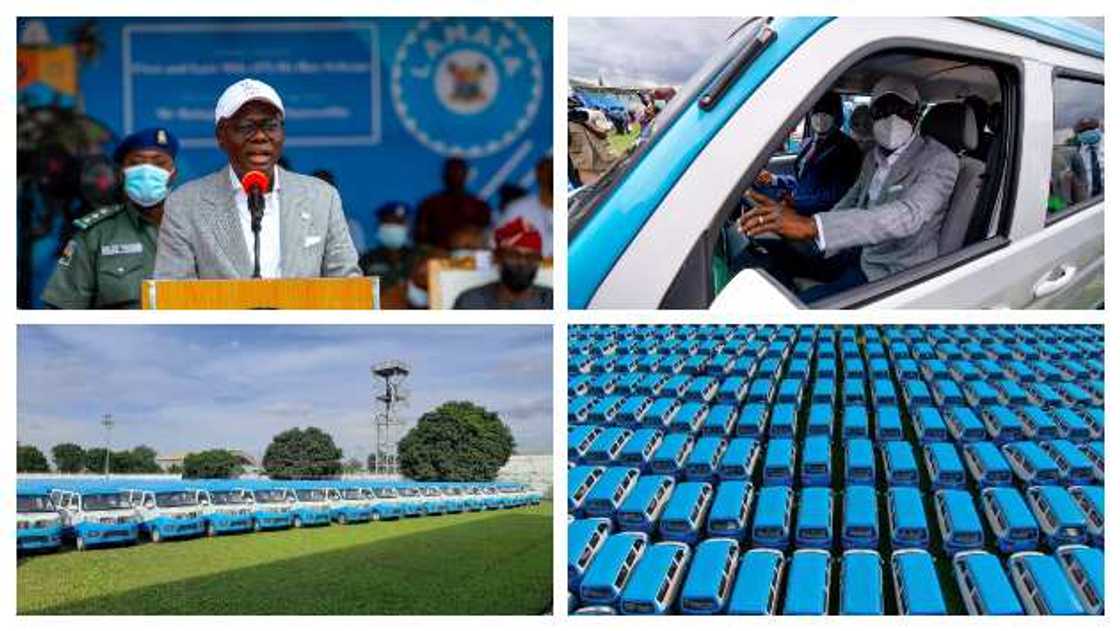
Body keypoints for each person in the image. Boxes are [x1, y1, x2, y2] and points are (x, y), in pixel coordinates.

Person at [740, 76, 960, 303]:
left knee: (807, 305)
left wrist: (813, 226)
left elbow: (908, 215)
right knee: (777, 258)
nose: (892, 118)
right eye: (882, 110)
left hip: (895, 271)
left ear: (917, 114)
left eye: (902, 110)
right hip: (859, 252)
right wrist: (813, 232)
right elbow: (850, 200)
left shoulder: (940, 160)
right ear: (872, 115)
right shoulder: (873, 157)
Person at [153, 78, 360, 279]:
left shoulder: (322, 198)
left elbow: (348, 285)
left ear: (282, 133)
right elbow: (173, 293)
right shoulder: (185, 204)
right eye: (246, 127)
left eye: (270, 126)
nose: (260, 136)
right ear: (221, 136)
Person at [41, 127, 179, 308]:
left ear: (173, 174)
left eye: (159, 164)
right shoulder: (94, 235)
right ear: (121, 174)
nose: (147, 172)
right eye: (136, 163)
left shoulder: (199, 227)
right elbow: (60, 311)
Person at [752, 92, 862, 217]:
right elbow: (804, 182)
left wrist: (796, 203)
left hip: (816, 217)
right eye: (817, 111)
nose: (820, 117)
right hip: (797, 208)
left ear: (837, 115)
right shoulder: (808, 143)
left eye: (827, 112)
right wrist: (774, 179)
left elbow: (834, 196)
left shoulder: (848, 148)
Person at [453, 217, 552, 309]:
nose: (522, 263)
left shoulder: (552, 301)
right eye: (514, 255)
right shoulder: (470, 302)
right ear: (497, 258)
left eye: (531, 257)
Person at [412, 157, 492, 251]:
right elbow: (420, 236)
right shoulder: (429, 204)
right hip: (436, 258)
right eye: (451, 171)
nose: (455, 175)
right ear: (444, 175)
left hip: (470, 259)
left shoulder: (480, 206)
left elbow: (485, 236)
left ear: (466, 174)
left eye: (459, 171)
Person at [359, 202, 420, 300]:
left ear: (407, 227)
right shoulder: (366, 260)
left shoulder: (418, 257)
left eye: (398, 222)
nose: (393, 227)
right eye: (388, 222)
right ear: (379, 226)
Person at [502, 156, 553, 257]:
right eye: (547, 171)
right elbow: (501, 242)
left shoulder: (574, 202)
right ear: (538, 174)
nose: (550, 175)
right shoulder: (517, 209)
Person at [568, 102, 617, 186]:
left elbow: (603, 134)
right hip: (586, 168)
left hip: (607, 159)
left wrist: (585, 122)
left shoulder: (596, 114)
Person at [1073, 117, 1104, 198]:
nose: (1087, 132)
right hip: (1088, 203)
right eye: (1083, 131)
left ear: (1099, 129)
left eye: (1091, 129)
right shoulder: (1077, 154)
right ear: (1078, 135)